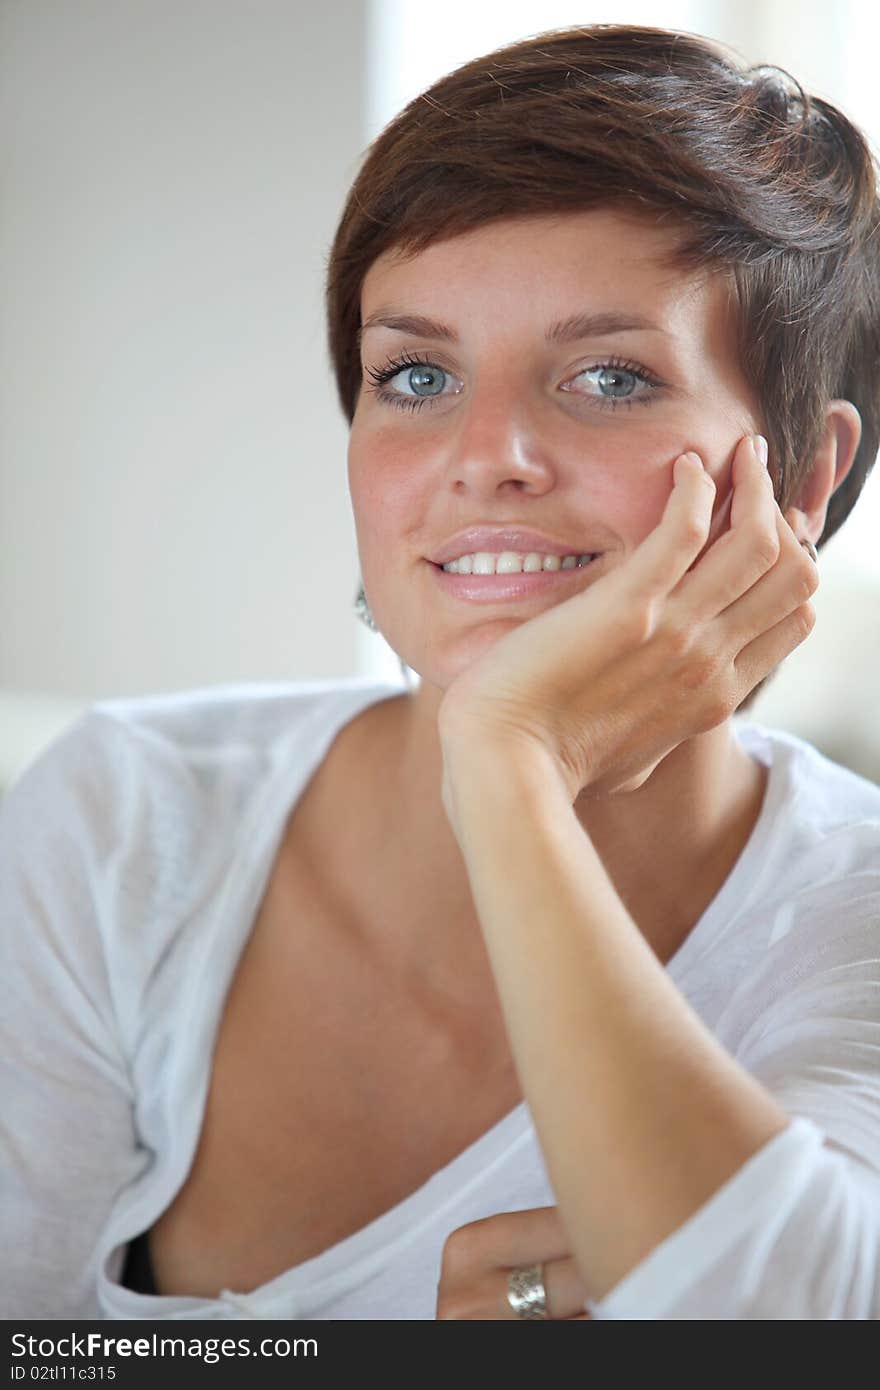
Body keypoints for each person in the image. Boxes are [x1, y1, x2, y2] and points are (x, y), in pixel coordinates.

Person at [2, 22, 879, 1321]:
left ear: (803, 480)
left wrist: (509, 763)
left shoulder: (854, 914)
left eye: (609, 375)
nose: (489, 456)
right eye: (414, 373)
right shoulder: (123, 816)